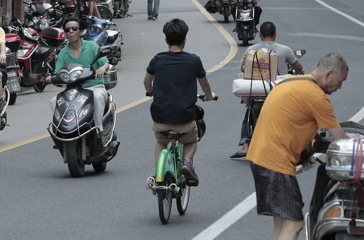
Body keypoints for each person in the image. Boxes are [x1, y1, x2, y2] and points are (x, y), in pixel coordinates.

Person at [247, 53, 349, 240]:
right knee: (295, 224)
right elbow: (342, 140)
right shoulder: (316, 96)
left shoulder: (292, 82)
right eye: (340, 81)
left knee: (282, 224)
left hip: (259, 156)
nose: (339, 87)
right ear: (329, 74)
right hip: (276, 161)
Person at [144, 18, 215, 186]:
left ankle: (158, 175)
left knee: (161, 142)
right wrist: (208, 96)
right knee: (192, 141)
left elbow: (147, 82)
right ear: (185, 39)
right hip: (184, 118)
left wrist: (151, 92)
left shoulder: (157, 60)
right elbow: (204, 83)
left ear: (166, 40)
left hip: (160, 117)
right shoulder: (193, 60)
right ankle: (187, 163)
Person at [231, 21, 304, 159]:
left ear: (260, 35)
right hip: (278, 90)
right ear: (275, 35)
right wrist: (298, 71)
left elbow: (243, 68)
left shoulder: (251, 50)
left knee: (249, 110)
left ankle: (245, 144)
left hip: (256, 90)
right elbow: (298, 67)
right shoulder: (285, 49)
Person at [55, 16, 111, 138]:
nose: (71, 31)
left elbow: (105, 63)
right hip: (72, 90)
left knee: (97, 97)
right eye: (67, 29)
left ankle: (98, 129)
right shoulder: (63, 53)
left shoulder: (92, 46)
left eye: (74, 28)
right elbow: (57, 72)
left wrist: (102, 68)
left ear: (80, 31)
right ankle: (61, 131)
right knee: (54, 100)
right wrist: (52, 78)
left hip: (94, 86)